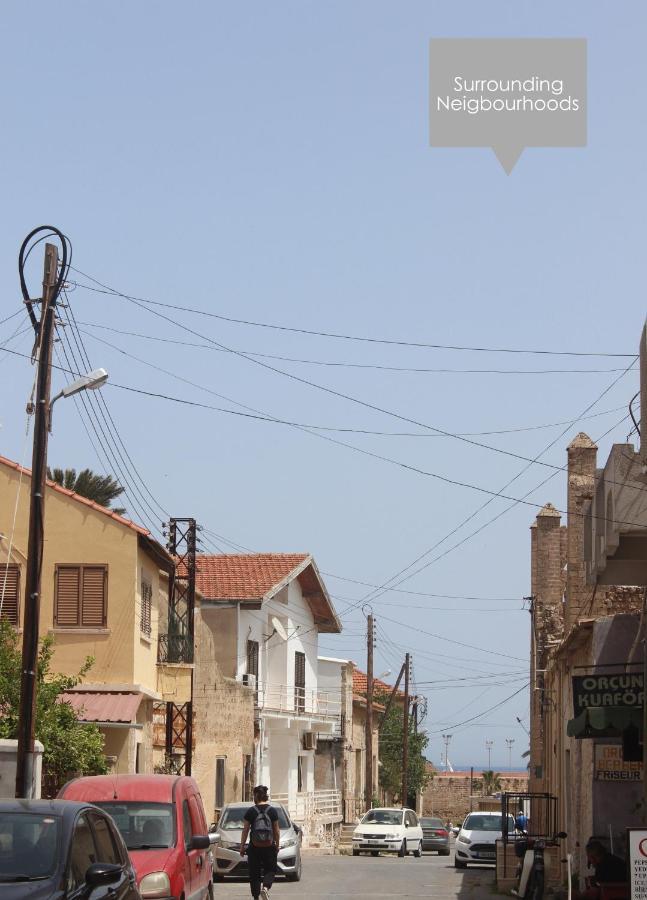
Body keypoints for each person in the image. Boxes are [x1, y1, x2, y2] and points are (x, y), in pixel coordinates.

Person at [240, 785, 280, 900]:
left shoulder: (251, 811)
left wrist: (242, 847)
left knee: (254, 873)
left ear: (256, 796)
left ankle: (256, 897)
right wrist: (277, 845)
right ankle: (266, 888)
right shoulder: (272, 811)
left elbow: (245, 830)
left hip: (254, 847)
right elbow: (276, 830)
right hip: (269, 846)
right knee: (271, 869)